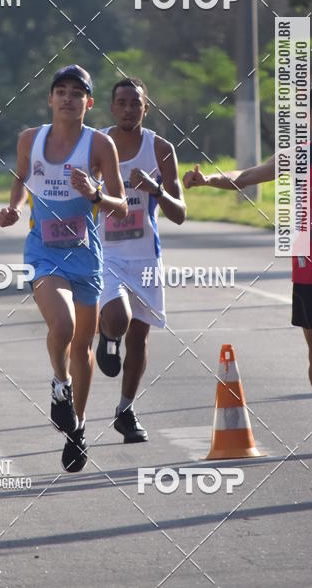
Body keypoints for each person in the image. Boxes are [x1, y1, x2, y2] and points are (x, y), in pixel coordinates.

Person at [183, 83, 312, 457]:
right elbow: (247, 176)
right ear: (309, 118)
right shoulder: (296, 158)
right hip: (309, 270)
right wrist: (208, 179)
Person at [0, 64, 127, 472]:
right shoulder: (29, 139)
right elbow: (21, 179)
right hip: (44, 252)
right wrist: (13, 209)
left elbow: (122, 206)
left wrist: (96, 194)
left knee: (84, 348)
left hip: (86, 255)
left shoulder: (100, 144)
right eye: (61, 91)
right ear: (50, 99)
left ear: (89, 103)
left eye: (77, 93)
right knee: (64, 326)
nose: (68, 98)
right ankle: (60, 383)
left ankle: (78, 429)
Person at [96, 78, 186, 442]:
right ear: (112, 108)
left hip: (146, 257)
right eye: (122, 103)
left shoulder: (160, 149)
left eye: (136, 103)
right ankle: (107, 334)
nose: (129, 109)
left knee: (139, 338)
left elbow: (179, 214)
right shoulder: (96, 144)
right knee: (118, 318)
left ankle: (126, 410)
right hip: (105, 253)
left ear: (145, 108)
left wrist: (156, 188)